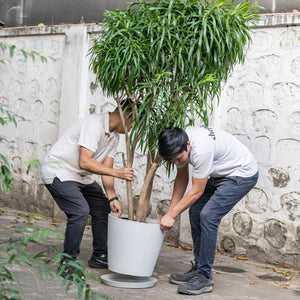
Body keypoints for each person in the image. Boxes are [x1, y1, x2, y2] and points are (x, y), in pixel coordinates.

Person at [158, 126, 258, 295]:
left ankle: (204, 276)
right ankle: (198, 268)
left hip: (241, 173)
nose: (177, 162)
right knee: (195, 212)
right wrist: (171, 211)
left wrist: (172, 215)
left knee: (208, 216)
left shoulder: (200, 150)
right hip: (221, 173)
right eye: (172, 160)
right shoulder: (179, 141)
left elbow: (196, 191)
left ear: (188, 145)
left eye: (179, 158)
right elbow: (182, 178)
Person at [41, 101, 134, 278]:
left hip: (80, 176)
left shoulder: (114, 136)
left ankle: (99, 256)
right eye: (134, 123)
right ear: (127, 116)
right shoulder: (94, 125)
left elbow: (106, 169)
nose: (132, 129)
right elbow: (85, 161)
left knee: (102, 206)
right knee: (80, 211)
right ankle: (67, 263)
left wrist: (112, 197)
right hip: (59, 171)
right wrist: (118, 173)